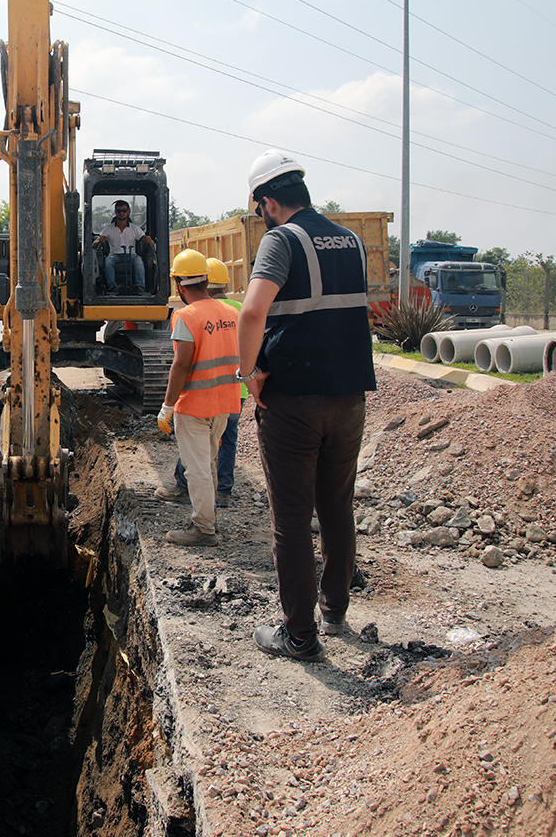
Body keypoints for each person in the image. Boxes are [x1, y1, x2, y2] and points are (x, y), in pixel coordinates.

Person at [236, 149, 375, 662]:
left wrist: (249, 373)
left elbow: (252, 313)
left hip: (293, 401)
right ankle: (334, 609)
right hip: (350, 397)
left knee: (291, 519)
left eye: (258, 211)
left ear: (268, 202)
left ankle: (299, 635)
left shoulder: (281, 240)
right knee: (336, 505)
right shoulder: (352, 240)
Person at [157, 249, 241, 547]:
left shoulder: (186, 316)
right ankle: (209, 516)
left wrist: (167, 406)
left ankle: (204, 528)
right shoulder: (231, 312)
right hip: (226, 402)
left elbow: (182, 365)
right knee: (211, 462)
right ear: (206, 279)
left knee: (196, 468)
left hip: (195, 405)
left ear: (179, 284)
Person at [93, 200, 155, 294]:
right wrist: (98, 240)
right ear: (115, 212)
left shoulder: (135, 229)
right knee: (108, 262)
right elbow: (94, 245)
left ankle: (140, 287)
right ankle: (112, 287)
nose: (121, 213)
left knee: (139, 262)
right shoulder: (108, 229)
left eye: (124, 210)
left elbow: (149, 242)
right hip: (114, 255)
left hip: (132, 255)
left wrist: (149, 241)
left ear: (128, 212)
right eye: (119, 211)